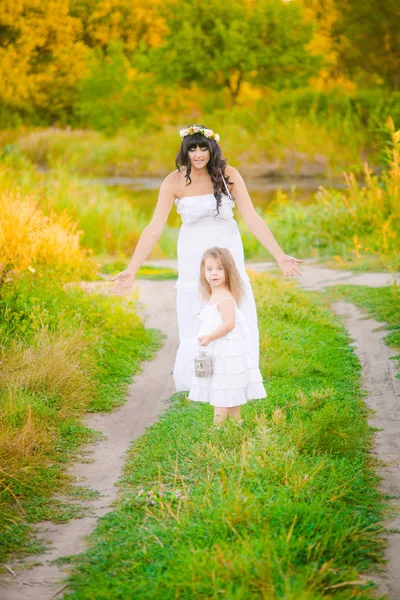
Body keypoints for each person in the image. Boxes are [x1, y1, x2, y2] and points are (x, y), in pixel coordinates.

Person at [111, 123, 302, 392]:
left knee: (230, 306)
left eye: (203, 148)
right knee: (197, 312)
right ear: (185, 152)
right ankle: (200, 380)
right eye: (192, 149)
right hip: (193, 252)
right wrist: (131, 270)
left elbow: (251, 217)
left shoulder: (228, 175)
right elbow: (154, 227)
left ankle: (235, 376)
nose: (198, 154)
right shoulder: (173, 181)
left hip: (227, 248)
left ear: (212, 149)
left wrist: (280, 256)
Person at [189, 247, 266, 425]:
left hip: (226, 352)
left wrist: (209, 337)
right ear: (203, 272)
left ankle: (218, 429)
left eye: (219, 268)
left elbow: (229, 323)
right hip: (221, 351)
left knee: (222, 391)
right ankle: (237, 423)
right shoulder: (215, 294)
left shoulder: (224, 298)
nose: (213, 273)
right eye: (209, 269)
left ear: (228, 271)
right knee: (230, 389)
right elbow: (216, 317)